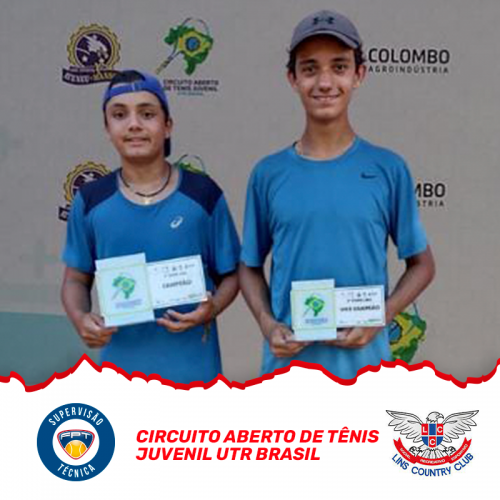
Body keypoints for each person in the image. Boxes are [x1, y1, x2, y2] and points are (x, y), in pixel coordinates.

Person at [239, 10, 435, 379]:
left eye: (339, 67)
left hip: (365, 371)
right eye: (310, 68)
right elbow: (249, 266)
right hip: (288, 374)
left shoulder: (388, 168)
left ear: (359, 75)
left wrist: (380, 318)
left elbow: (423, 265)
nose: (325, 82)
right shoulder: (268, 174)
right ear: (293, 78)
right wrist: (267, 323)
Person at [61, 70, 240, 383]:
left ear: (167, 125)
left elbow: (233, 274)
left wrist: (213, 308)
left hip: (195, 376)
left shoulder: (203, 194)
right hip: (120, 377)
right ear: (107, 128)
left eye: (147, 114)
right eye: (119, 115)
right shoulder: (90, 201)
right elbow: (75, 279)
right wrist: (80, 317)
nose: (134, 125)